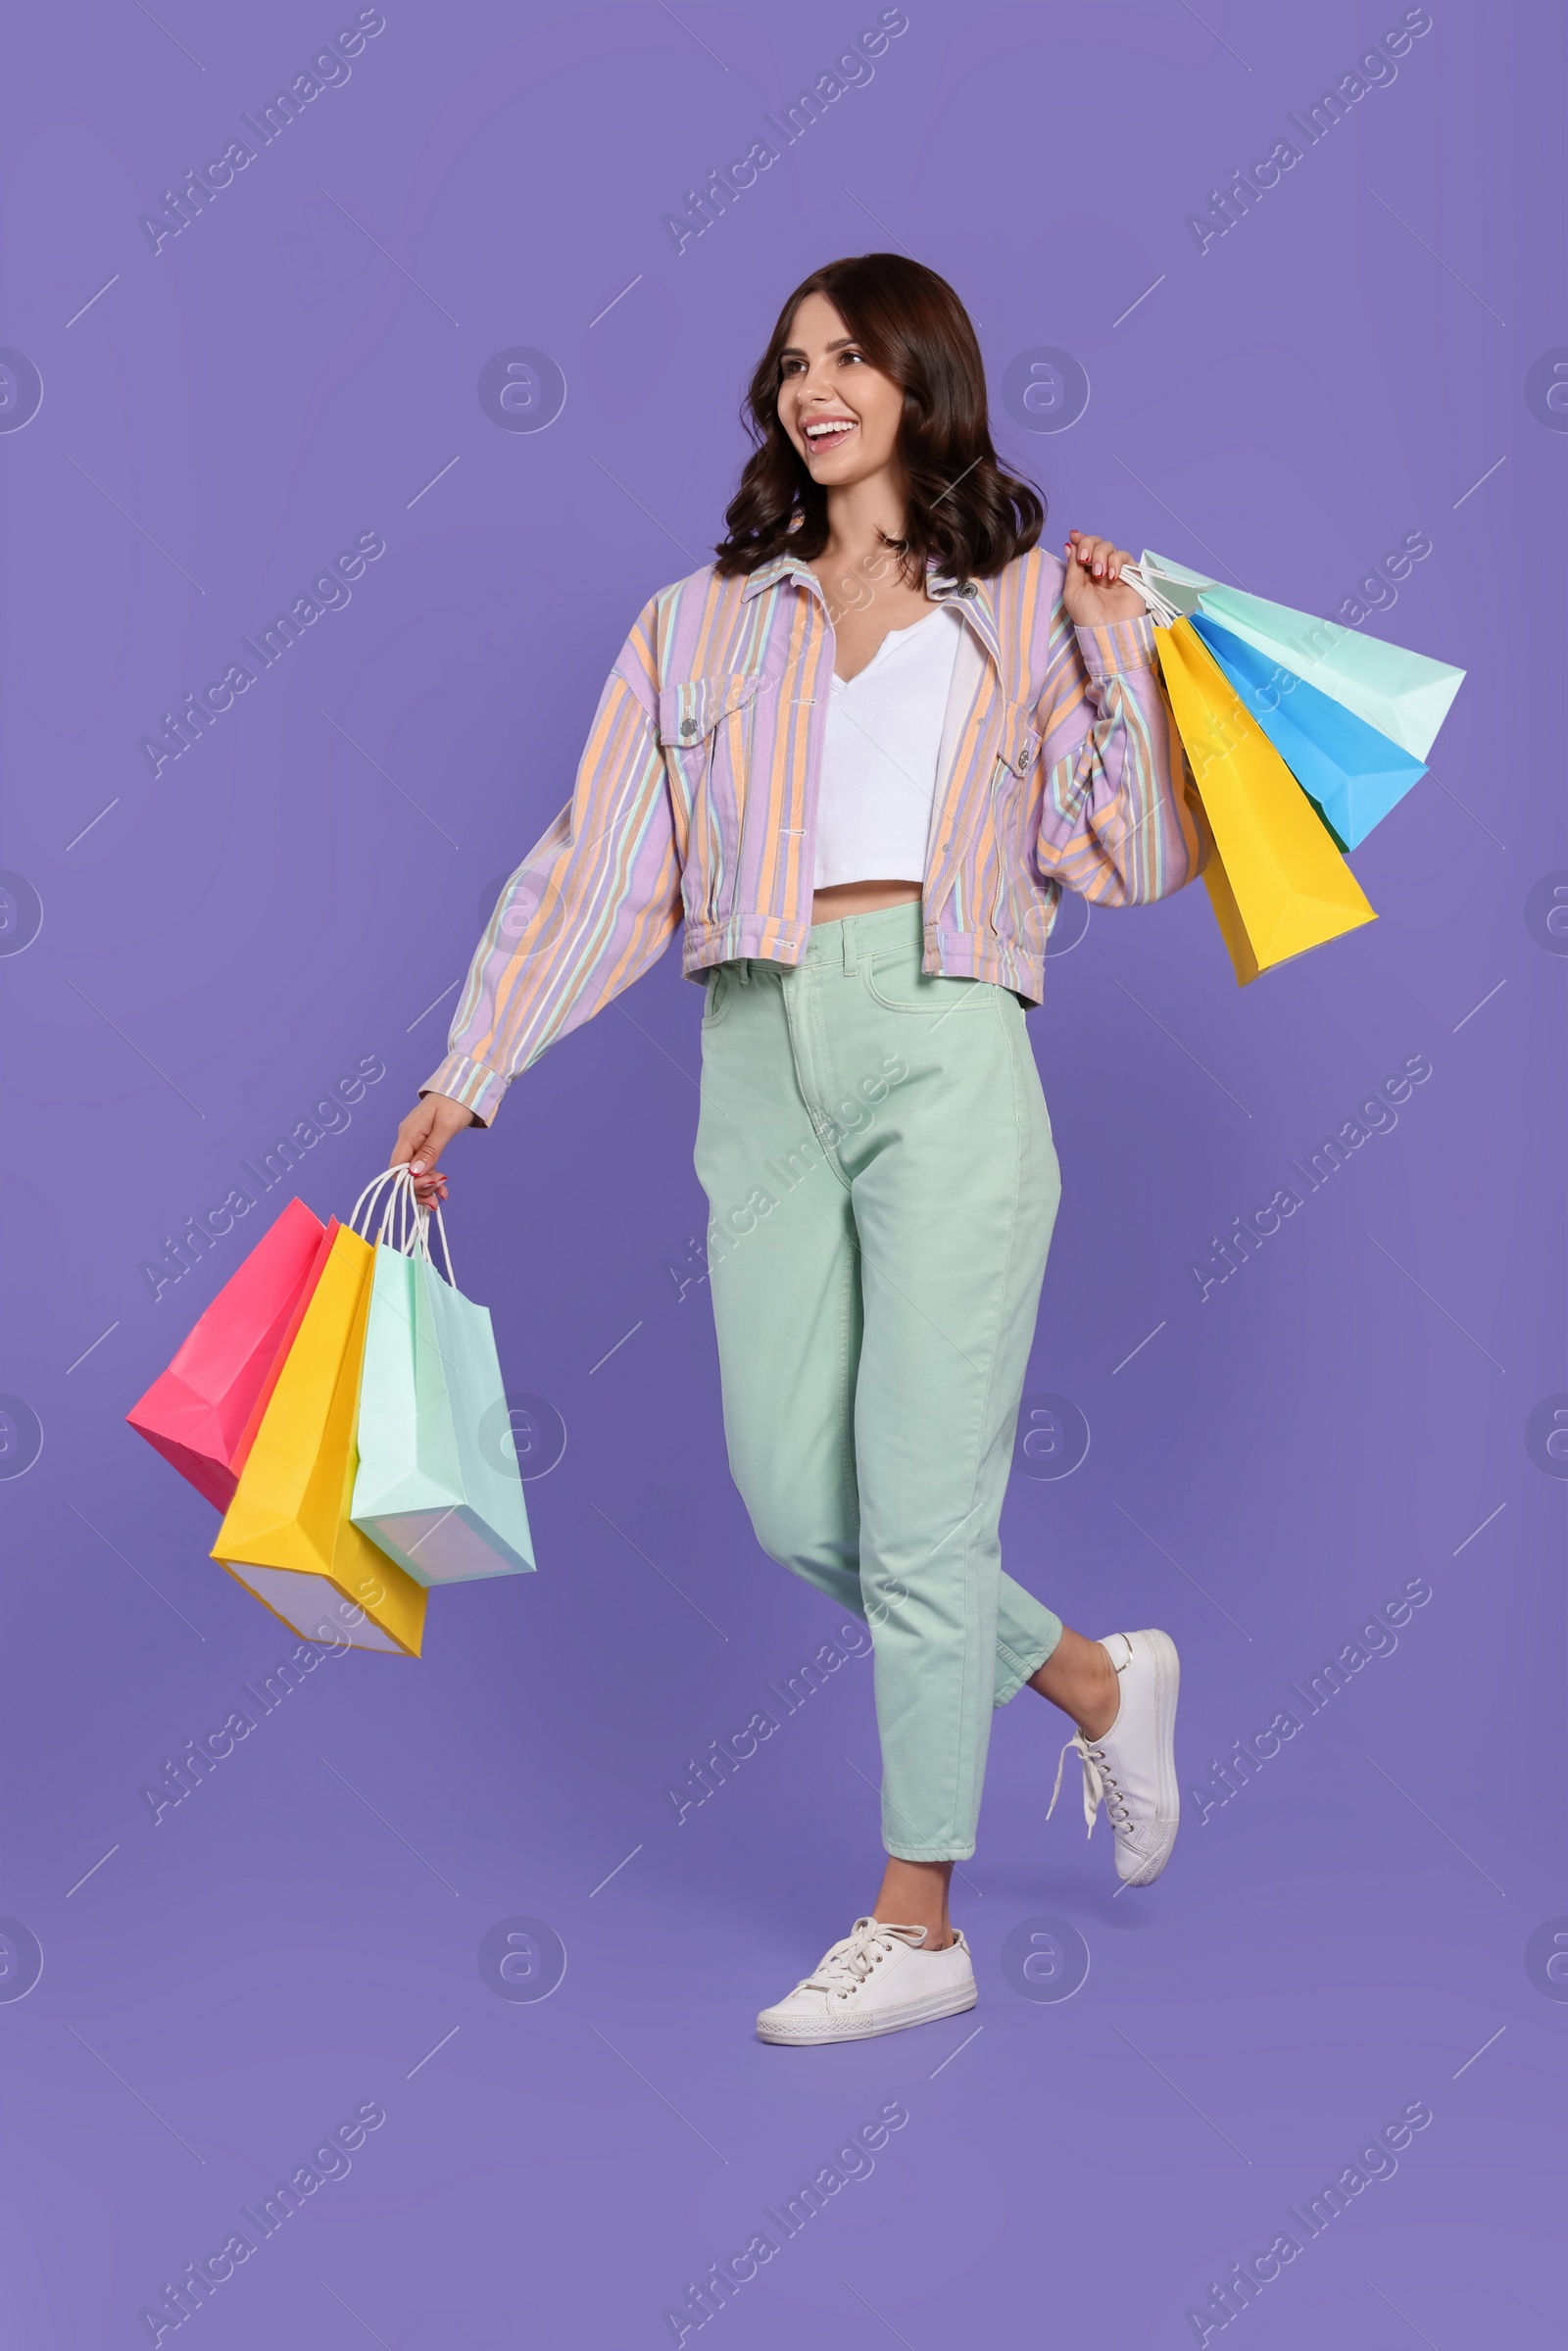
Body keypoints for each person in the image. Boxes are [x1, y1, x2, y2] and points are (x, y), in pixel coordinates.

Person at [389, 254, 1206, 2045]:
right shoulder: (697, 621)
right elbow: (603, 862)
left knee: (921, 1510)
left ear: (925, 378)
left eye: (849, 356)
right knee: (792, 1499)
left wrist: (1127, 649)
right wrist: (478, 1068)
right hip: (757, 1045)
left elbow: (1126, 857)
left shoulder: (1016, 608)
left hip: (945, 1038)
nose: (813, 386)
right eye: (791, 363)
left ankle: (917, 1921)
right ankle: (1093, 1681)